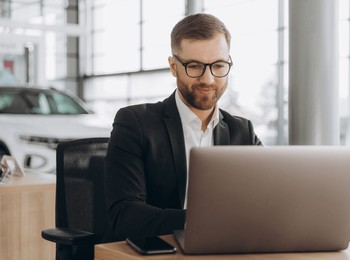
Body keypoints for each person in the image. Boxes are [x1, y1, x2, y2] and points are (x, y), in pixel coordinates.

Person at [104, 13, 262, 240]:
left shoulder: (242, 132)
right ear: (173, 66)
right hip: (161, 254)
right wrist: (203, 222)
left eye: (218, 65)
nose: (208, 79)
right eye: (194, 66)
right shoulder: (135, 123)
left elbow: (269, 201)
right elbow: (125, 216)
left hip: (227, 249)